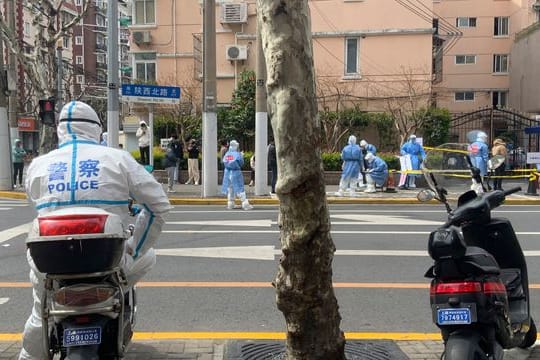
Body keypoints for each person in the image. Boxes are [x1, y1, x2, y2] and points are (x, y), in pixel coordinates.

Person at [19, 100, 171, 360]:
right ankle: (119, 297)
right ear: (96, 129)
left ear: (59, 130)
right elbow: (158, 206)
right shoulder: (118, 159)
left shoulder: (38, 166)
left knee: (39, 308)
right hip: (108, 266)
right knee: (149, 256)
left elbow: (36, 206)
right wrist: (134, 250)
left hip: (52, 270)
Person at [222, 140, 253, 210]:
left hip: (227, 173)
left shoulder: (227, 154)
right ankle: (245, 204)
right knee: (239, 188)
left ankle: (230, 204)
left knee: (230, 189)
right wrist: (241, 156)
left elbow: (224, 162)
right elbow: (241, 163)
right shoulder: (237, 154)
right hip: (235, 172)